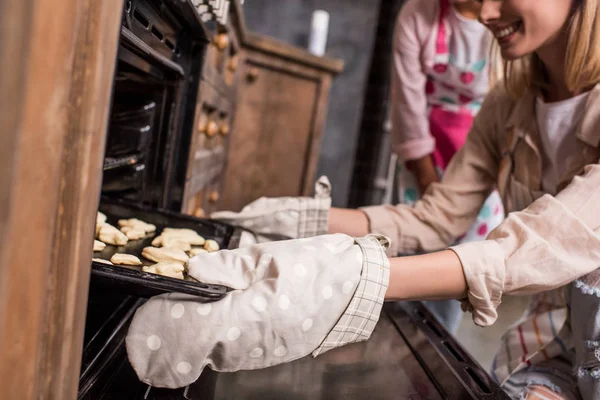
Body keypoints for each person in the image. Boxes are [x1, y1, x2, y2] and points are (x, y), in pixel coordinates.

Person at [127, 0, 600, 398]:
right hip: (558, 347)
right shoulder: (507, 104)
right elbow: (435, 217)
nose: (488, 11)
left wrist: (343, 278)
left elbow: (531, 246)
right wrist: (298, 222)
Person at [390, 0, 505, 333]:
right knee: (414, 249)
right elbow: (407, 104)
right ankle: (401, 336)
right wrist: (428, 182)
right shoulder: (417, 14)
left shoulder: (506, 18)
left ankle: (440, 343)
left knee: (462, 267)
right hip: (425, 149)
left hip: (487, 152)